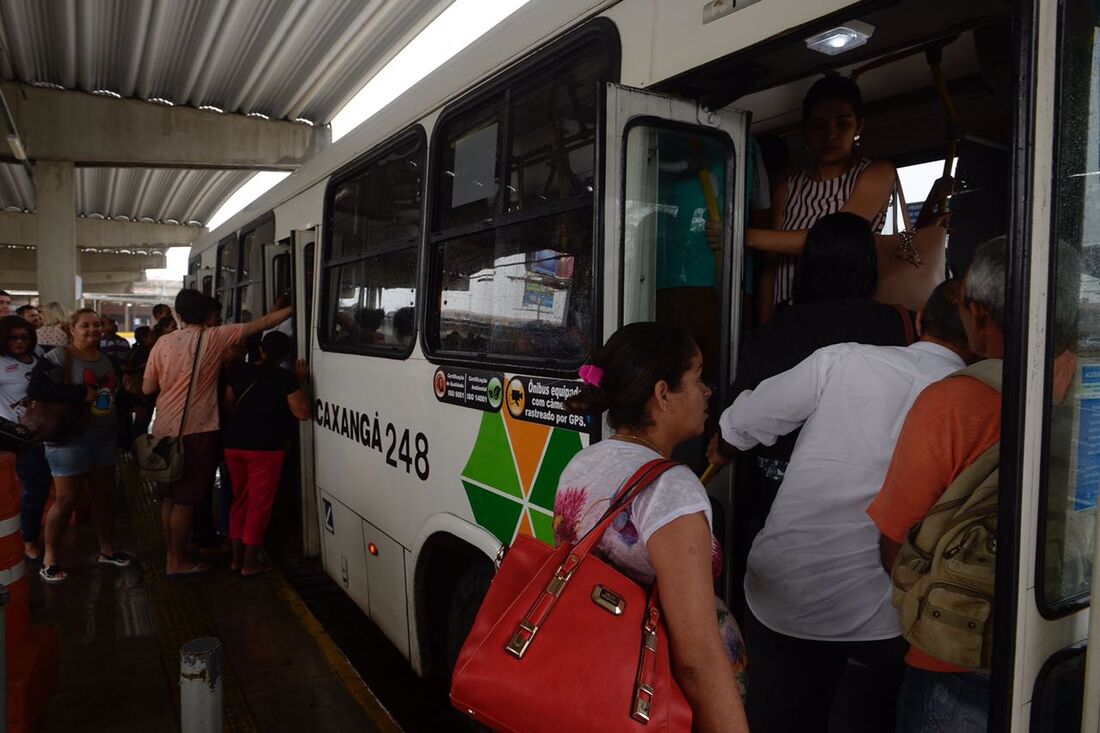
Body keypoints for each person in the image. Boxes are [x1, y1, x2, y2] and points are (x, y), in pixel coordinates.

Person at [708, 280, 975, 733]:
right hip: (883, 621)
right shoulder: (977, 401)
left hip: (784, 597)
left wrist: (726, 443)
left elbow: (747, 420)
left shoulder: (846, 359)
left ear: (918, 322)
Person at [554, 323, 749, 733]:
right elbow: (696, 660)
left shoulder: (586, 461)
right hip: (650, 701)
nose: (707, 391)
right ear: (663, 394)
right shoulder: (671, 488)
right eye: (697, 379)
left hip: (595, 679)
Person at [868, 239, 1008, 732]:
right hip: (1064, 649)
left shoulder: (951, 402)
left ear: (977, 315)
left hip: (955, 661)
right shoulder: (1085, 390)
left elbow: (896, 544)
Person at [142, 289, 291, 577]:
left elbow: (148, 388)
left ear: (179, 314)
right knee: (186, 500)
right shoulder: (216, 336)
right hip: (197, 431)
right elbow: (265, 322)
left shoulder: (163, 342)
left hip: (163, 430)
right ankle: (176, 561)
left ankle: (173, 553)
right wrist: (299, 304)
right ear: (207, 314)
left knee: (169, 497)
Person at [747, 76, 895, 318]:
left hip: (843, 317)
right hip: (787, 316)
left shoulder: (876, 173)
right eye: (818, 125)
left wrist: (746, 236)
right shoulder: (788, 187)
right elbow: (770, 265)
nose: (831, 135)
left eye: (843, 124)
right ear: (805, 130)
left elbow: (834, 240)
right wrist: (766, 327)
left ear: (859, 127)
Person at [28, 309, 131, 582]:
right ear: (71, 329)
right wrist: (78, 393)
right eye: (85, 325)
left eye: (96, 325)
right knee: (66, 499)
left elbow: (117, 395)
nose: (92, 330)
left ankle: (107, 550)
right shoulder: (59, 356)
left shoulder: (106, 359)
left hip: (104, 437)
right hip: (69, 438)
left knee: (104, 496)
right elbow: (36, 389)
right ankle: (50, 559)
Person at [221, 331, 310, 575]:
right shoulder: (285, 378)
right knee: (259, 505)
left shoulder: (238, 372)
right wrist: (301, 381)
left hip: (234, 445)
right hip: (265, 449)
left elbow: (228, 404)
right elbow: (302, 412)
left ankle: (236, 560)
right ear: (285, 355)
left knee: (239, 500)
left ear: (261, 350)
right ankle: (250, 563)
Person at [0, 316, 52, 561]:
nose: (20, 342)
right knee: (35, 486)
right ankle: (29, 539)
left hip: (48, 431)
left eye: (25, 337)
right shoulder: (0, 363)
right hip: (18, 436)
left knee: (43, 488)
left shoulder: (39, 354)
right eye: (13, 337)